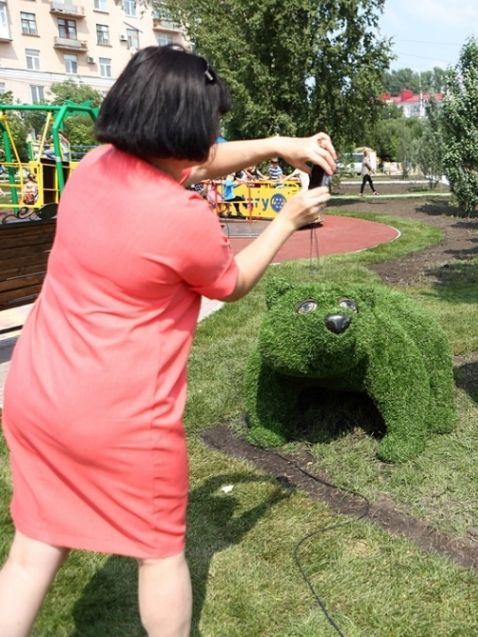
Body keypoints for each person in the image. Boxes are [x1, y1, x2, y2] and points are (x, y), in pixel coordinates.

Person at [0, 45, 336, 637]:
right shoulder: (183, 218)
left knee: (32, 550)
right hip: (120, 417)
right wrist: (286, 219)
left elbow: (195, 164)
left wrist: (280, 145)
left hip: (37, 392)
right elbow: (229, 282)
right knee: (158, 552)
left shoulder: (94, 167)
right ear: (186, 127)